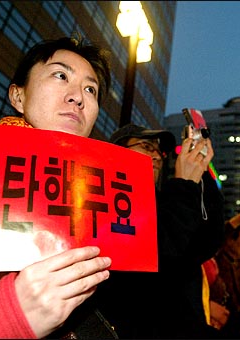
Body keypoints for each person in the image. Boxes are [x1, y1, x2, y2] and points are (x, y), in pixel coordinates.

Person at [0, 36, 113, 339]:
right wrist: (7, 313)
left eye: (90, 89)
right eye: (61, 75)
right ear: (18, 97)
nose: (78, 97)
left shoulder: (92, 210)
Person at [93, 123, 225, 338]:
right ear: (116, 151)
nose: (156, 156)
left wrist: (202, 173)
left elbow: (206, 241)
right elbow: (162, 257)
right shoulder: (105, 200)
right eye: (146, 146)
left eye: (159, 151)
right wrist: (184, 185)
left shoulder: (166, 201)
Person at [214, 206, 240, 338]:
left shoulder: (238, 266)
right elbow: (217, 238)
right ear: (231, 242)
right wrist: (239, 220)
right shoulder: (219, 259)